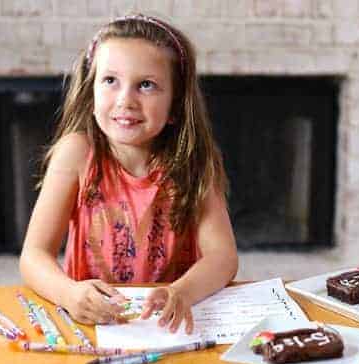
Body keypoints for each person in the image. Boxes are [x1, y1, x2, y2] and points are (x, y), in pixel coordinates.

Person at [20, 13, 238, 335]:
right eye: (110, 81)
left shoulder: (195, 161)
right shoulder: (77, 153)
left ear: (176, 105)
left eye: (146, 85)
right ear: (90, 91)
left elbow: (223, 257)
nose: (126, 100)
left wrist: (181, 293)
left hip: (167, 329)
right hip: (90, 326)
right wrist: (68, 293)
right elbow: (33, 256)